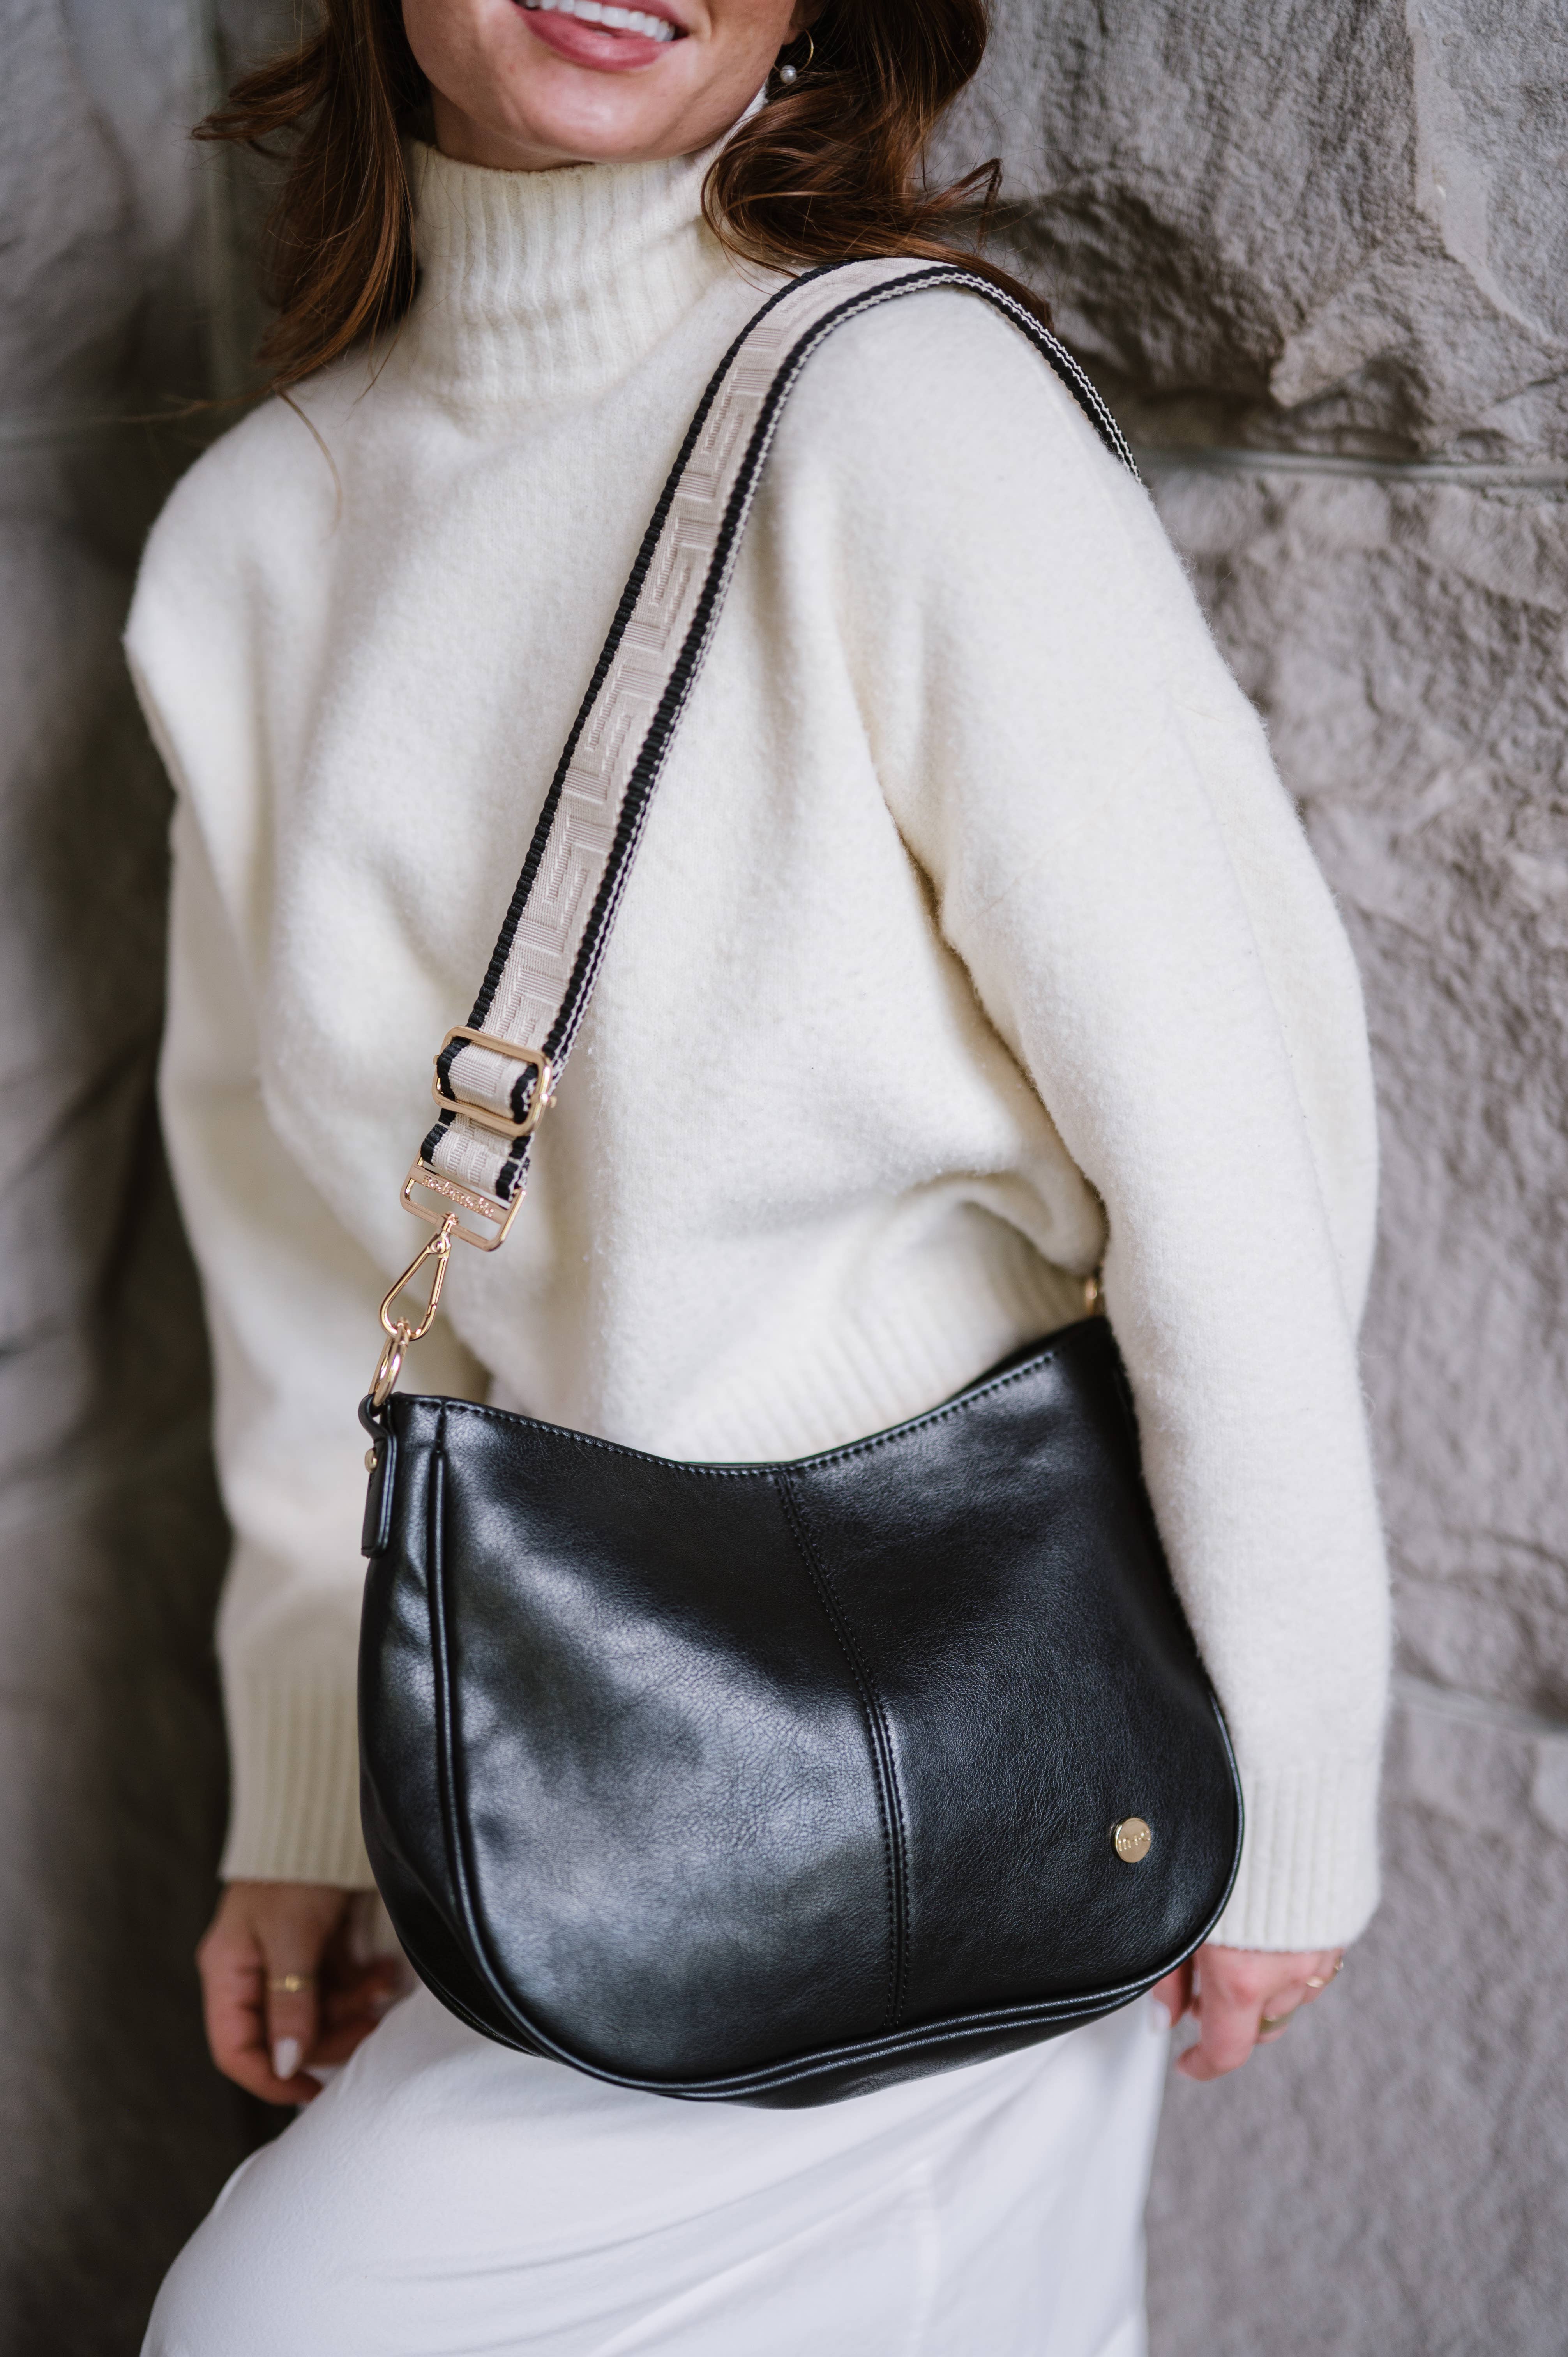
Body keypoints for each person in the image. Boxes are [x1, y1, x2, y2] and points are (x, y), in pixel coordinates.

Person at [129, 1, 1390, 2349]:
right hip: (583, 1757)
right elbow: (303, 1265)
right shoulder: (250, 539)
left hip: (1003, 1690)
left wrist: (1296, 1771)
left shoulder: (902, 407)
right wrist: (309, 1795)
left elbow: (1226, 1133)